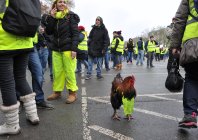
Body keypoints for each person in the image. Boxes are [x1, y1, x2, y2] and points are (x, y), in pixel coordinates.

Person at [0, 0, 39, 135]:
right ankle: (33, 115)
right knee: (21, 78)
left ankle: (12, 125)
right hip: (25, 41)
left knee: (7, 82)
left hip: (5, 41)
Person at [170, 0, 198, 129]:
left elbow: (180, 20)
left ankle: (190, 114)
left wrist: (175, 45)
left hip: (193, 44)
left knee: (192, 79)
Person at [45, 0, 80, 104]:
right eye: (60, 2)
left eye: (64, 2)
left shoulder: (70, 16)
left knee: (69, 72)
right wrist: (51, 17)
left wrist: (74, 49)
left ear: (66, 5)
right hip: (56, 49)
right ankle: (57, 92)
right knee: (57, 72)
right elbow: (49, 31)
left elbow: (75, 34)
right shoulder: (53, 17)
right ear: (55, 4)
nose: (62, 4)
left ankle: (72, 93)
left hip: (68, 48)